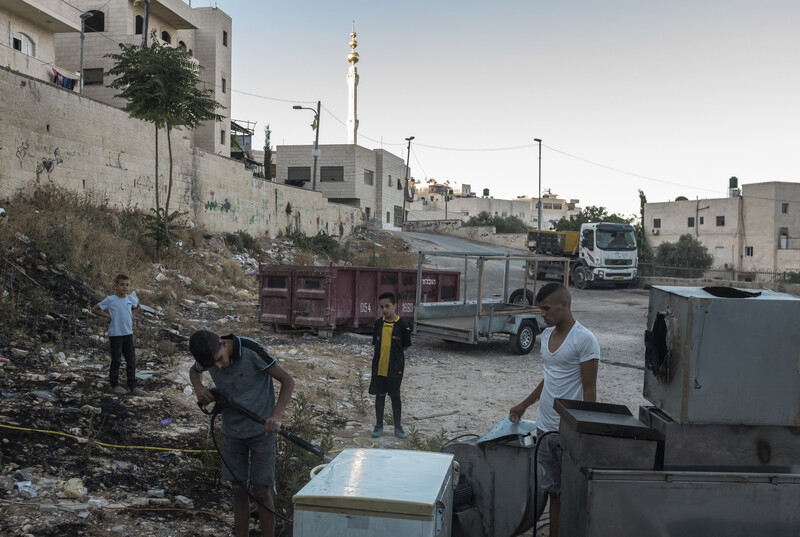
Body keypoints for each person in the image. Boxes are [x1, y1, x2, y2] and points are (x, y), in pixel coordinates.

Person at [508, 282, 599, 537]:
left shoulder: (584, 339)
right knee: (554, 492)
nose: (542, 314)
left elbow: (589, 389)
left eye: (546, 309)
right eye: (540, 309)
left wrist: (585, 433)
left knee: (574, 492)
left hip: (568, 431)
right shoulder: (546, 336)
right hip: (545, 427)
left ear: (564, 304)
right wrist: (524, 405)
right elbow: (550, 378)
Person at [189, 330, 294, 537]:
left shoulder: (251, 350)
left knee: (261, 490)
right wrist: (198, 386)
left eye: (219, 359)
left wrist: (277, 415)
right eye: (213, 365)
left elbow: (287, 381)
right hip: (232, 431)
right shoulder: (208, 356)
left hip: (261, 430)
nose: (219, 367)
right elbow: (195, 371)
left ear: (223, 343)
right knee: (238, 489)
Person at [91, 274, 146, 396]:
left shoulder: (129, 299)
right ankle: (114, 385)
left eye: (127, 285)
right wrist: (108, 316)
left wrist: (132, 315)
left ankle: (132, 386)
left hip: (128, 334)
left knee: (131, 361)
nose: (125, 287)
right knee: (116, 360)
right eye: (122, 285)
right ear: (116, 286)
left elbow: (137, 306)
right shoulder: (110, 300)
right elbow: (94, 309)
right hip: (116, 334)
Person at [369, 292, 412, 439]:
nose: (384, 310)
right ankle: (378, 425)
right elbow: (376, 344)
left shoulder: (403, 325)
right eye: (381, 307)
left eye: (387, 306)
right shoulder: (378, 324)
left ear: (395, 306)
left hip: (395, 367)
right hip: (379, 366)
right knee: (379, 395)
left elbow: (405, 347)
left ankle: (398, 427)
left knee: (395, 396)